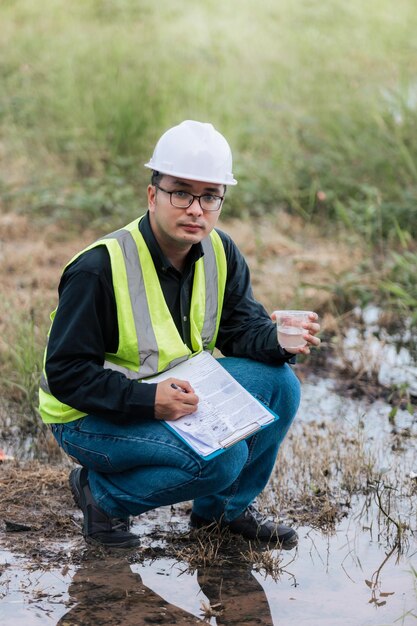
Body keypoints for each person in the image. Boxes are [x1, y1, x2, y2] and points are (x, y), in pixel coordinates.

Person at [39, 120, 321, 549]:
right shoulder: (98, 267)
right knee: (224, 457)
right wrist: (150, 402)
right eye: (181, 192)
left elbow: (240, 329)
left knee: (281, 384)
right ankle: (102, 496)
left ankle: (222, 514)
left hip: (175, 393)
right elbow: (66, 373)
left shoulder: (220, 251)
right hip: (88, 418)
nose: (196, 209)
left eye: (210, 196)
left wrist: (277, 339)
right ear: (153, 195)